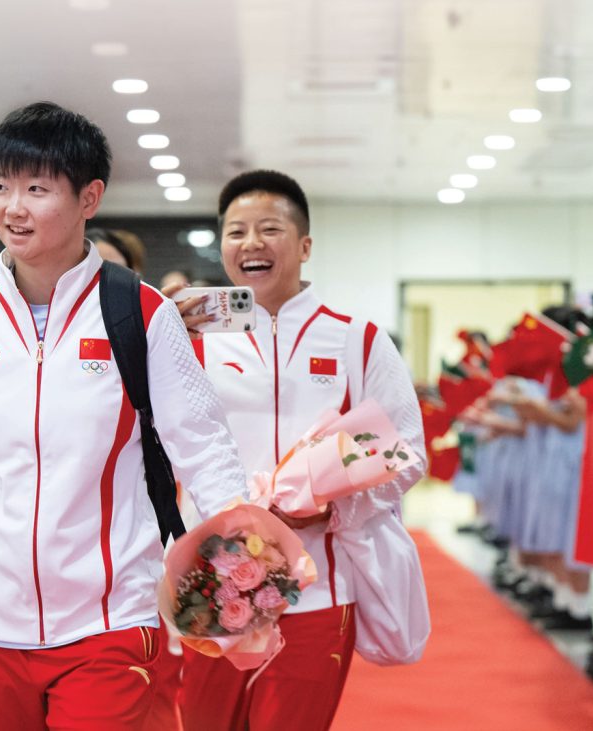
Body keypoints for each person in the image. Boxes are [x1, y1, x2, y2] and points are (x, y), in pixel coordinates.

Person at [0, 102, 248, 730]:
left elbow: (204, 449)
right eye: (2, 187)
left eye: (37, 189)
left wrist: (243, 576)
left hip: (110, 619)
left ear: (89, 197)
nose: (14, 207)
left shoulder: (141, 316)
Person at [172, 170, 426, 731]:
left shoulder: (355, 339)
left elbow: (407, 451)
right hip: (209, 588)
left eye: (270, 229)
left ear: (305, 246)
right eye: (235, 232)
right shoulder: (189, 340)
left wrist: (332, 508)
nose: (251, 243)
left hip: (318, 593)